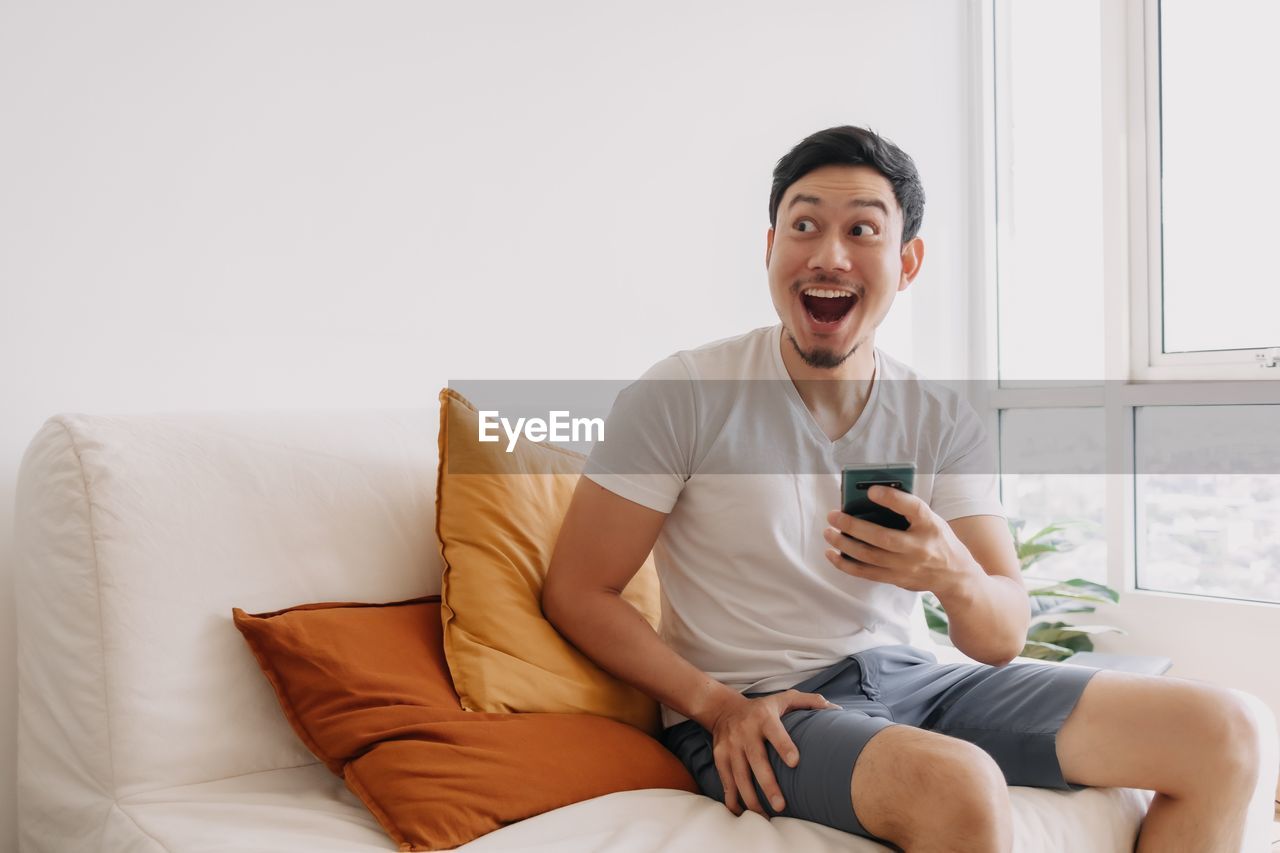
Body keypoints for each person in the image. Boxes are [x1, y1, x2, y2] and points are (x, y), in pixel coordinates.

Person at [542, 125, 1261, 852]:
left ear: (906, 261)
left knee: (1221, 733)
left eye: (862, 229)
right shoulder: (684, 394)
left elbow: (1002, 632)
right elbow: (578, 589)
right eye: (804, 225)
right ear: (770, 248)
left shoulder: (938, 416)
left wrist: (947, 572)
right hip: (764, 705)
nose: (829, 254)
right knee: (958, 784)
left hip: (915, 680)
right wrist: (715, 705)